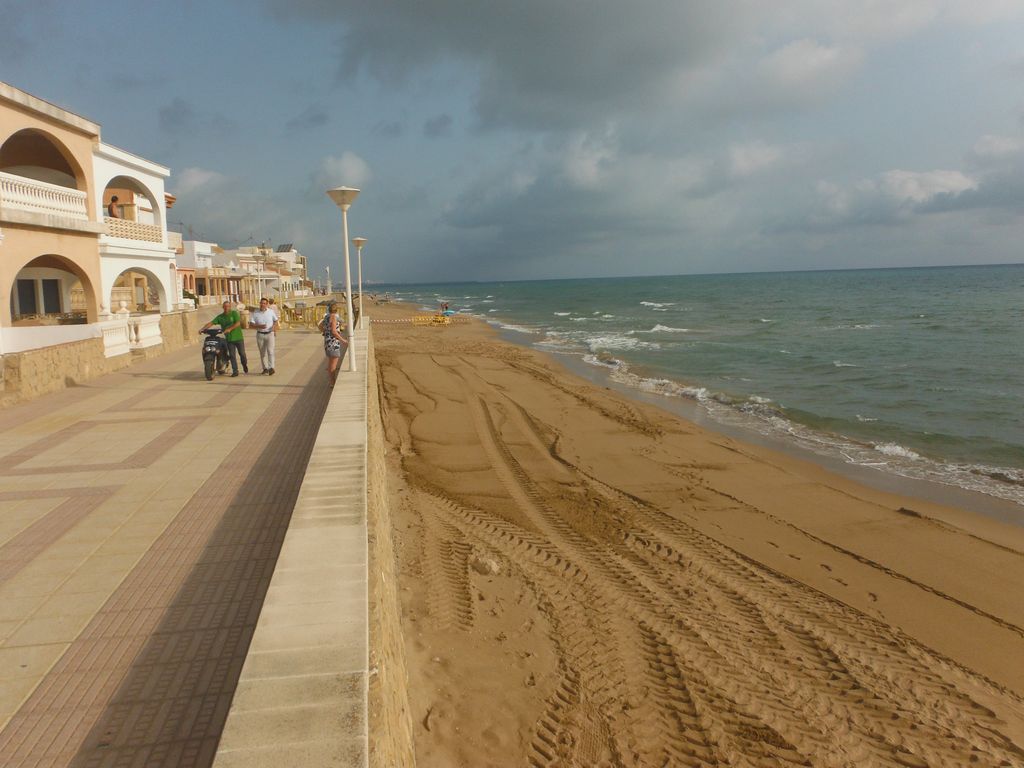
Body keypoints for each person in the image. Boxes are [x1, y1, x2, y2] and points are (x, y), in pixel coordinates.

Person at [200, 300, 248, 376]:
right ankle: (235, 371)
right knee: (232, 355)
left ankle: (244, 364)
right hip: (229, 339)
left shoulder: (234, 313)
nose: (226, 308)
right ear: (223, 307)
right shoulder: (220, 317)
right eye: (225, 306)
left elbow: (238, 323)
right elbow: (211, 323)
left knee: (242, 354)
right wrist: (203, 329)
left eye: (228, 306)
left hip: (238, 338)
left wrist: (229, 329)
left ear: (230, 307)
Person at [249, 297, 279, 375]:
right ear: (260, 304)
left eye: (264, 303)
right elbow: (251, 324)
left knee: (270, 351)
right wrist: (258, 326)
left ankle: (271, 367)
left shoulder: (271, 312)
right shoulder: (255, 312)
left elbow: (276, 321)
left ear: (267, 304)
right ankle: (265, 368)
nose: (263, 305)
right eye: (261, 303)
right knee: (262, 353)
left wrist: (274, 327)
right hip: (260, 334)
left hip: (270, 334)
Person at [322, 302, 348, 387]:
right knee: (333, 364)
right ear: (336, 310)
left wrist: (326, 333)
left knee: (330, 363)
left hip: (327, 342)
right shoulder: (333, 317)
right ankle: (332, 383)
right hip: (333, 343)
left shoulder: (326, 317)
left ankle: (331, 381)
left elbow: (321, 327)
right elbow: (334, 331)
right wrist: (343, 340)